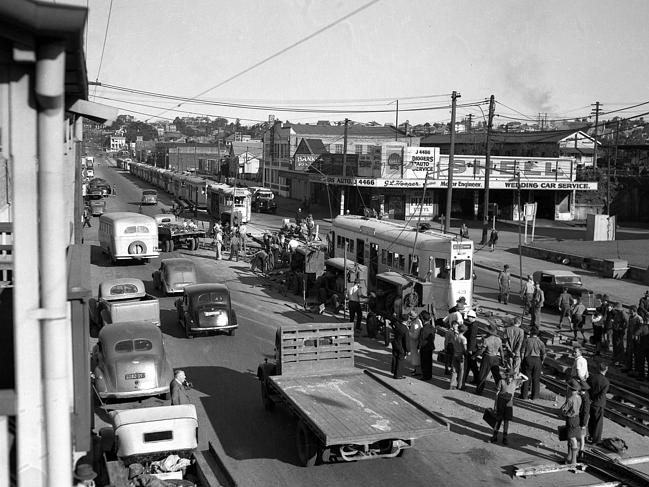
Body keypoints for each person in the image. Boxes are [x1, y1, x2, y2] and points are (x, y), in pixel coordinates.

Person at [490, 370, 528, 445]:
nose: (509, 378)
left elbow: (526, 378)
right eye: (508, 376)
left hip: (509, 403)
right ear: (506, 376)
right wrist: (495, 406)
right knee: (498, 420)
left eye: (511, 376)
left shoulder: (515, 382)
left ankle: (505, 438)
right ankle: (494, 436)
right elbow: (497, 394)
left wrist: (519, 374)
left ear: (513, 377)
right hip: (500, 402)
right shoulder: (501, 381)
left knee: (506, 421)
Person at [560, 379, 583, 465]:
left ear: (570, 388)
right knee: (571, 437)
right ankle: (570, 457)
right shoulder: (579, 397)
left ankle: (573, 460)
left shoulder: (570, 399)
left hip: (571, 419)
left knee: (572, 438)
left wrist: (563, 411)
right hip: (577, 418)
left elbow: (564, 409)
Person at [475, 324, 503, 395]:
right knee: (497, 375)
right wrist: (502, 360)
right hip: (495, 358)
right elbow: (501, 351)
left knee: (482, 375)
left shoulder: (486, 340)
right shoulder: (499, 339)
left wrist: (475, 355)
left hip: (487, 357)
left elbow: (482, 351)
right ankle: (502, 389)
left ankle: (479, 391)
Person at [520, 327, 546, 400]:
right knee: (536, 379)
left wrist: (522, 360)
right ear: (537, 335)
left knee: (526, 378)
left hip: (528, 359)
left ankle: (524, 396)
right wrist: (542, 361)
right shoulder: (541, 342)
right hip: (537, 360)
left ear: (531, 333)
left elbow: (522, 352)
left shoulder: (527, 340)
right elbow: (543, 354)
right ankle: (534, 396)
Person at [587, 362, 609, 444]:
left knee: (591, 419)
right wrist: (595, 400)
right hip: (599, 404)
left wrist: (591, 399)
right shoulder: (606, 382)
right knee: (598, 422)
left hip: (591, 402)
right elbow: (602, 394)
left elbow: (587, 389)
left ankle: (590, 435)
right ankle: (596, 440)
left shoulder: (591, 377)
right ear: (606, 370)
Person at [462, 309, 480, 385]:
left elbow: (472, 338)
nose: (468, 318)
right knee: (472, 365)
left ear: (472, 317)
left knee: (470, 365)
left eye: (469, 317)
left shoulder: (473, 326)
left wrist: (470, 349)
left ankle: (465, 379)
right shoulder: (473, 324)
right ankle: (474, 378)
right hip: (473, 348)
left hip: (471, 349)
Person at [624, 305, 643, 374]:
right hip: (629, 338)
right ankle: (628, 367)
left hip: (635, 339)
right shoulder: (631, 317)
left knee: (635, 354)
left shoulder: (639, 319)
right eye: (629, 311)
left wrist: (636, 336)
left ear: (635, 311)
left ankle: (636, 370)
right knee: (628, 353)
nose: (630, 313)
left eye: (631, 312)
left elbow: (640, 329)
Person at [450, 323, 467, 390]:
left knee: (454, 370)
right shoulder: (463, 339)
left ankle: (452, 384)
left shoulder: (455, 337)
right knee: (461, 371)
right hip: (461, 356)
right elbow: (465, 349)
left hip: (455, 354)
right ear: (464, 331)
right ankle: (460, 385)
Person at [418, 310, 435, 380]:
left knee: (424, 362)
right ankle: (429, 375)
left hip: (424, 348)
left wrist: (418, 347)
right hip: (430, 347)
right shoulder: (432, 327)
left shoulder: (423, 329)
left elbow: (421, 339)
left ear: (423, 319)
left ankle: (425, 376)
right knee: (429, 362)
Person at [578, 379, 591, 460]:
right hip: (581, 419)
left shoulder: (585, 399)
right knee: (580, 437)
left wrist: (583, 424)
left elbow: (586, 413)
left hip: (582, 421)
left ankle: (581, 453)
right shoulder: (584, 396)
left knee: (582, 437)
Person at [407, 310, 423, 376]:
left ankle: (418, 371)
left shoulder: (416, 323)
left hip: (415, 343)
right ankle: (416, 370)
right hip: (414, 343)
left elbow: (415, 336)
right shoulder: (415, 322)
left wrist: (408, 332)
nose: (410, 319)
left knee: (416, 357)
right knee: (415, 357)